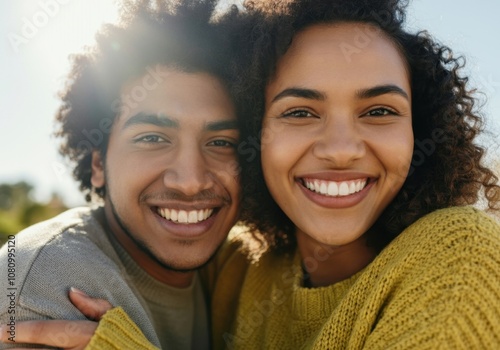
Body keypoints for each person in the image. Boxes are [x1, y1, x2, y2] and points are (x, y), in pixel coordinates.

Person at [4, 0, 500, 348]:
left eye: (380, 111)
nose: (342, 151)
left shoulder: (459, 254)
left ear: (423, 128)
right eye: (300, 112)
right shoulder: (243, 266)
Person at [0, 0, 241, 349]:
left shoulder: (228, 270)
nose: (191, 181)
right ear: (98, 164)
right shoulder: (49, 283)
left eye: (221, 141)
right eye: (153, 138)